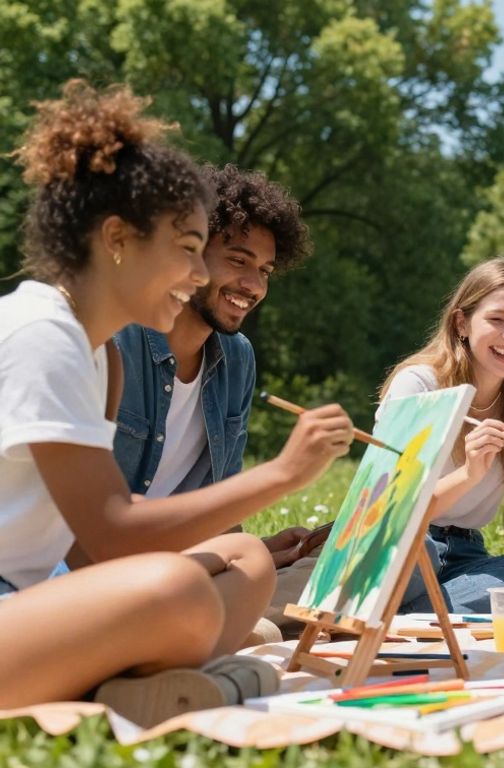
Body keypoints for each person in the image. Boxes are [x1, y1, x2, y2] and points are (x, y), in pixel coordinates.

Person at [0, 80, 352, 726]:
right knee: (180, 590)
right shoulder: (42, 333)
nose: (197, 276)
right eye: (188, 250)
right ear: (118, 239)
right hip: (18, 603)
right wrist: (282, 473)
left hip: (28, 601)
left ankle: (118, 675)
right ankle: (129, 672)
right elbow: (110, 532)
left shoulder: (98, 356)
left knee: (243, 563)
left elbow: (96, 546)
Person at [113, 164, 314, 569]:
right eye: (238, 260)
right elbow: (86, 525)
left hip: (176, 564)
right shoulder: (115, 343)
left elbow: (217, 511)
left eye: (265, 271)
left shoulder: (238, 359)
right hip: (98, 567)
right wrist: (284, 472)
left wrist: (268, 549)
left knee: (321, 565)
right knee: (249, 578)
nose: (254, 285)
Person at [379, 258, 504, 614]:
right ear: (462, 323)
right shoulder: (419, 386)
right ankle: (430, 607)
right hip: (407, 546)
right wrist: (469, 473)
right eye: (497, 320)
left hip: (467, 554)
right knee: (420, 555)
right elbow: (394, 508)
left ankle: (417, 611)